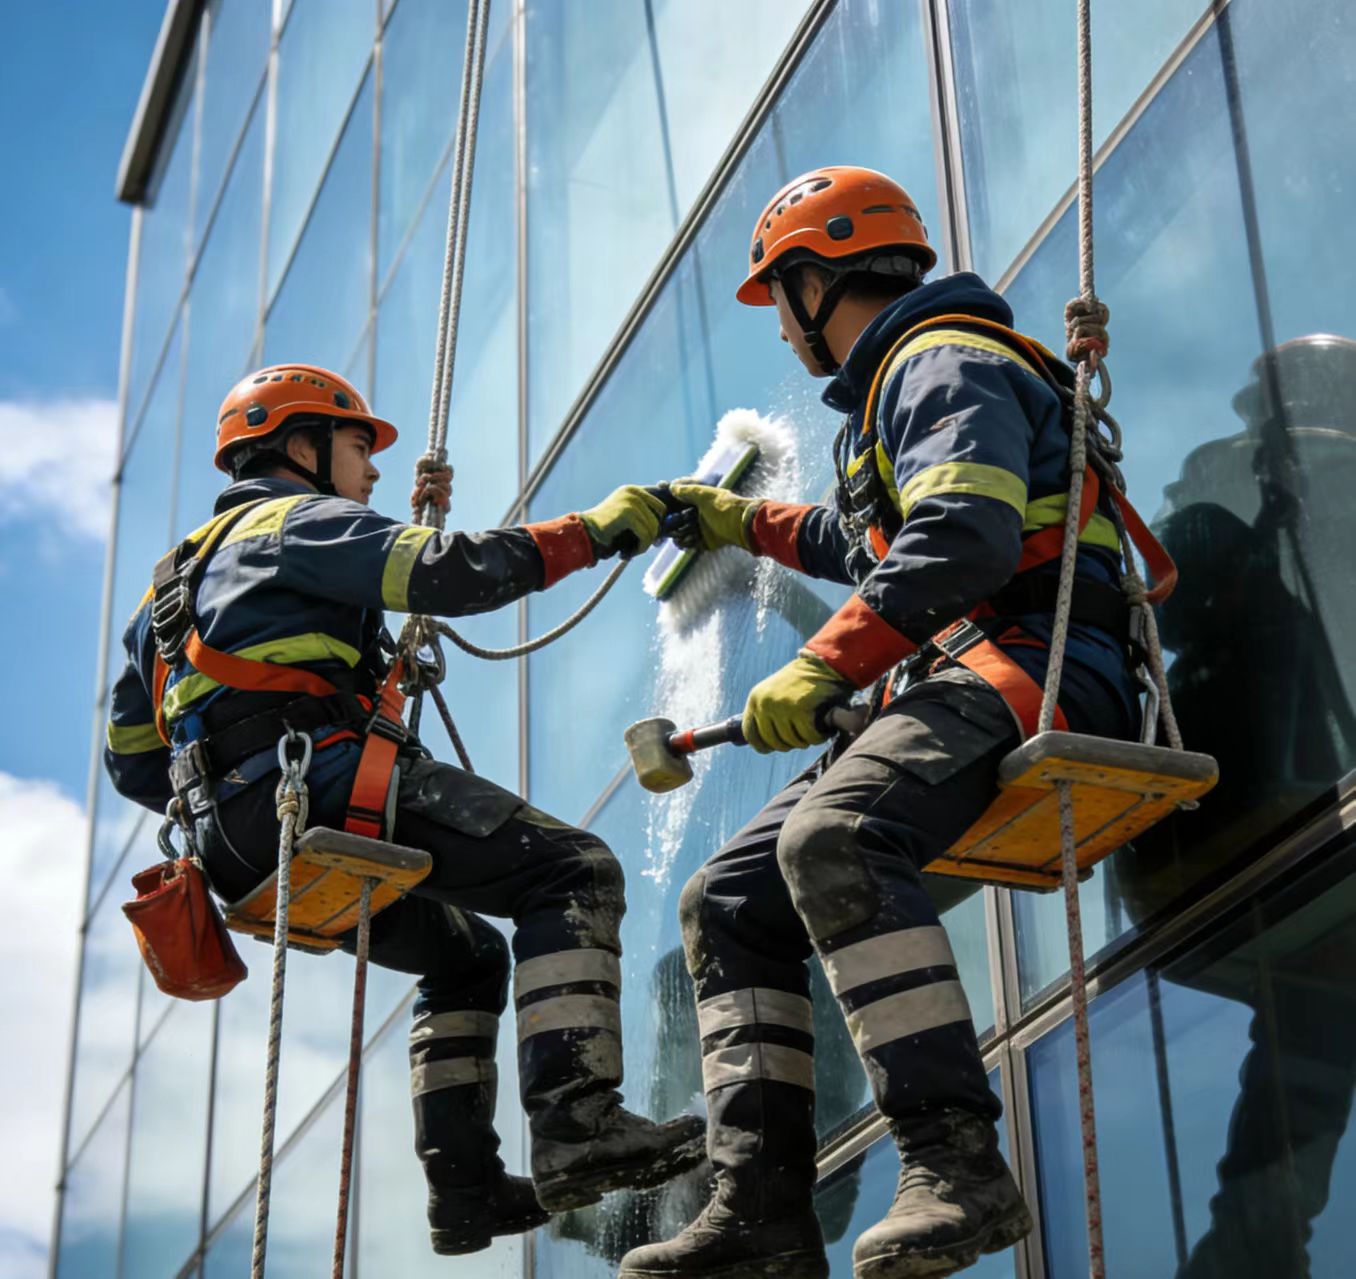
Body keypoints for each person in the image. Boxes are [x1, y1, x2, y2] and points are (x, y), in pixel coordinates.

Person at [617, 167, 1141, 1279]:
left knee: (835, 835)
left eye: (782, 295)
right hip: (969, 680)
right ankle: (759, 1212)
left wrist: (823, 662)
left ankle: (957, 1164)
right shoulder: (898, 396)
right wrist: (745, 523)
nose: (786, 329)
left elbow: (960, 538)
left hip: (1041, 670)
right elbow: (874, 543)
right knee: (727, 899)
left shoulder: (942, 361)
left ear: (815, 279)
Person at [102, 365, 705, 1257]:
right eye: (356, 447)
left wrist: (234, 771)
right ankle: (578, 1123)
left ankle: (462, 1192)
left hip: (239, 841)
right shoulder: (296, 522)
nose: (373, 471)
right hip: (324, 784)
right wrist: (602, 529)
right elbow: (453, 572)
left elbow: (129, 762)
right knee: (571, 870)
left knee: (467, 956)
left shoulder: (166, 590)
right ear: (299, 447)